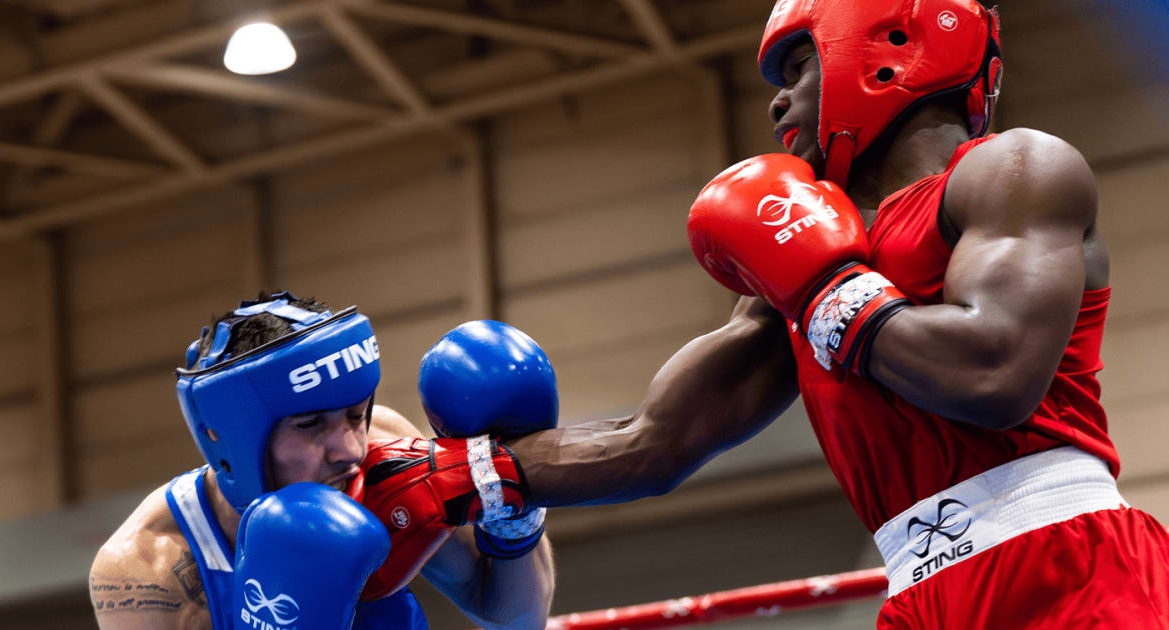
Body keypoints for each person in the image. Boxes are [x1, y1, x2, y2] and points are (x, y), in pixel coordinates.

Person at [365, 1, 1169, 627]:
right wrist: (468, 478)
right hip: (920, 593)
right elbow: (655, 441)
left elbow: (993, 372)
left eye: (797, 64)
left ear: (889, 48)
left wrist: (821, 284)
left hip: (1068, 564)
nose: (780, 99)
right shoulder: (807, 262)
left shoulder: (1013, 170)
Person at [88, 292, 554, 630]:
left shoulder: (382, 449)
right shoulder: (145, 569)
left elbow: (516, 619)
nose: (350, 450)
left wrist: (515, 514)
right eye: (310, 425)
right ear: (229, 439)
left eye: (355, 415)